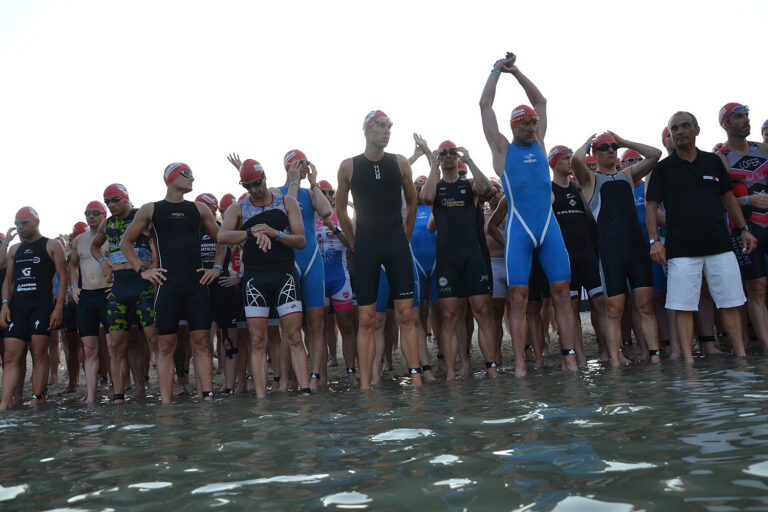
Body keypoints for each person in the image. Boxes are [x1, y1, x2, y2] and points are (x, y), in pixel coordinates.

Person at [478, 52, 577, 376]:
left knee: (562, 294)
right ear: (514, 127)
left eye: (535, 122)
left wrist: (517, 72)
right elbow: (485, 106)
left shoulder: (540, 141)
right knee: (518, 300)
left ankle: (570, 356)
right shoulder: (502, 151)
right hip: (520, 228)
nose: (533, 126)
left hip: (549, 227)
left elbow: (542, 101)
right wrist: (497, 70)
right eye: (527, 123)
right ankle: (520, 364)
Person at [646, 111, 754, 364]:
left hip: (720, 245)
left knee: (730, 302)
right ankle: (688, 363)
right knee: (683, 306)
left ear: (696, 130)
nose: (680, 131)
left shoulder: (713, 162)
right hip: (681, 249)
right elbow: (651, 206)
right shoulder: (662, 169)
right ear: (670, 134)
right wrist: (654, 241)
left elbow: (727, 197)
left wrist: (744, 228)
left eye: (685, 126)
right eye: (675, 128)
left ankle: (741, 357)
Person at [121, 164, 224, 404]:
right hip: (168, 286)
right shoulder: (151, 209)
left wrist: (217, 268)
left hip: (196, 285)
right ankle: (166, 403)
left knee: (202, 343)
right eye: (187, 174)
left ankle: (206, 397)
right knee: (166, 344)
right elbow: (126, 243)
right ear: (172, 178)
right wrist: (142, 270)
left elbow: (222, 239)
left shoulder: (199, 209)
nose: (193, 179)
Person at [335, 110, 423, 390]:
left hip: (395, 244)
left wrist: (405, 237)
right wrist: (353, 241)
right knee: (367, 318)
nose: (386, 131)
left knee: (406, 315)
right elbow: (339, 208)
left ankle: (417, 377)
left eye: (389, 127)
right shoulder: (348, 166)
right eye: (381, 126)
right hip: (367, 247)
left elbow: (412, 202)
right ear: (367, 130)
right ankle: (365, 386)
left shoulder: (399, 163)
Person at [218, 159, 311, 397]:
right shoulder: (238, 208)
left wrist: (276, 234)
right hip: (255, 279)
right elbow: (222, 235)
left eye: (257, 184)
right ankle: (261, 398)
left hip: (284, 274)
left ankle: (305, 392)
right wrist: (250, 232)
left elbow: (301, 241)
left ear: (265, 178)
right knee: (258, 341)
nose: (255, 190)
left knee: (293, 337)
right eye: (248, 186)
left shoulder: (286, 202)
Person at [571, 130, 662, 366]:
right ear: (595, 153)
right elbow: (575, 161)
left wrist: (624, 142)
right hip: (611, 250)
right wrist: (588, 141)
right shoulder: (589, 180)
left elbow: (655, 155)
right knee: (614, 308)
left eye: (613, 147)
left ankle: (654, 356)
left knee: (645, 305)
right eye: (604, 147)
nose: (611, 150)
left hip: (637, 248)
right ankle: (614, 360)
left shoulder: (627, 175)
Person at [421, 140, 496, 379]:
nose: (449, 156)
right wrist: (433, 165)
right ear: (440, 158)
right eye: (444, 153)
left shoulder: (470, 185)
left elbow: (487, 190)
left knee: (482, 312)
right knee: (450, 317)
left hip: (472, 256)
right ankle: (454, 373)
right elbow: (426, 197)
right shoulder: (437, 187)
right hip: (447, 259)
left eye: (452, 152)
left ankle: (491, 368)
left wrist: (470, 159)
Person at [91, 184, 155, 403]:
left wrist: (154, 269)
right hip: (120, 286)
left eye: (115, 199)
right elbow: (94, 247)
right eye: (107, 201)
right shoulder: (108, 224)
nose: (110, 205)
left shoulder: (141, 216)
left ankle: (153, 386)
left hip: (143, 283)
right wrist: (103, 263)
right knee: (116, 343)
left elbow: (159, 243)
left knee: (152, 339)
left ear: (127, 198)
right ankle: (118, 395)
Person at [0, 207, 67, 409]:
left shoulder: (52, 245)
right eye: (17, 223)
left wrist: (58, 307)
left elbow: (63, 278)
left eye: (24, 223)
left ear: (36, 222)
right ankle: (4, 403)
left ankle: (37, 397)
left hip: (42, 305)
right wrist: (4, 305)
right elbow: (9, 281)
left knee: (39, 353)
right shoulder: (14, 249)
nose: (20, 227)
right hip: (18, 306)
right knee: (11, 354)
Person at [715, 103, 768, 353]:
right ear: (725, 124)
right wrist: (748, 200)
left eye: (747, 116)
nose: (745, 120)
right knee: (756, 288)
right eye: (738, 117)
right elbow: (719, 201)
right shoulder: (721, 157)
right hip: (746, 228)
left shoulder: (763, 149)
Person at [549, 145, 605, 366]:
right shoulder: (549, 189)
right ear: (554, 162)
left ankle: (608, 350)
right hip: (564, 255)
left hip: (586, 252)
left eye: (572, 159)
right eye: (566, 159)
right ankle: (579, 354)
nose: (570, 162)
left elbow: (592, 215)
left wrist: (583, 189)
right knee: (570, 307)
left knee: (600, 302)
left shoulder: (577, 188)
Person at [315, 179, 358, 385]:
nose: (328, 196)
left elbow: (352, 244)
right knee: (321, 329)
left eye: (331, 192)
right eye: (324, 192)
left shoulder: (341, 217)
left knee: (347, 327)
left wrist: (335, 227)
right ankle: (322, 375)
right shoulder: (308, 219)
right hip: (318, 281)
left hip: (340, 278)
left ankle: (351, 371)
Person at [68, 201, 111, 404]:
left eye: (95, 213)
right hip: (86, 296)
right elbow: (73, 265)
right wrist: (73, 287)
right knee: (88, 349)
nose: (91, 216)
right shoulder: (79, 241)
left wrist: (117, 283)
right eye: (87, 213)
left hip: (108, 294)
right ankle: (91, 395)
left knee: (114, 346)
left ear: (104, 214)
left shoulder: (112, 236)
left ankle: (116, 391)